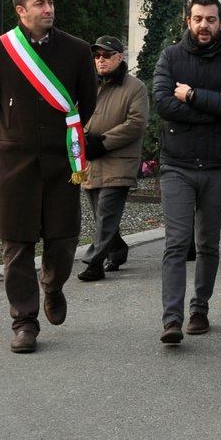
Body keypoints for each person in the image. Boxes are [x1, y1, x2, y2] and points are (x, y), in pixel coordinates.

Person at [0, 0, 98, 353]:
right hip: (15, 166)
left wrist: (63, 136)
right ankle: (24, 321)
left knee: (63, 239)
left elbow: (86, 102)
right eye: (40, 3)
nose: (48, 9)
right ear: (21, 11)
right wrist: (12, 138)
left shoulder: (76, 51)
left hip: (61, 163)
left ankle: (53, 286)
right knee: (17, 244)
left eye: (51, 2)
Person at [152, 0, 221, 345]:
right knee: (177, 243)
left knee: (208, 243)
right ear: (188, 21)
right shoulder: (170, 56)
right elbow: (164, 104)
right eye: (198, 19)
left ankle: (200, 308)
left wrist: (193, 95)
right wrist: (217, 104)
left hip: (217, 166)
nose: (204, 25)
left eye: (211, 19)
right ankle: (172, 319)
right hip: (177, 165)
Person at [76, 35, 147, 282]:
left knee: (105, 214)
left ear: (120, 57)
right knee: (100, 215)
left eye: (106, 55)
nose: (101, 60)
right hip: (91, 160)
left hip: (119, 160)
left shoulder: (135, 87)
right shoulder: (89, 85)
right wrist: (83, 139)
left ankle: (93, 263)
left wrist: (102, 142)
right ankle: (117, 250)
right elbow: (76, 114)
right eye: (97, 56)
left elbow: (135, 124)